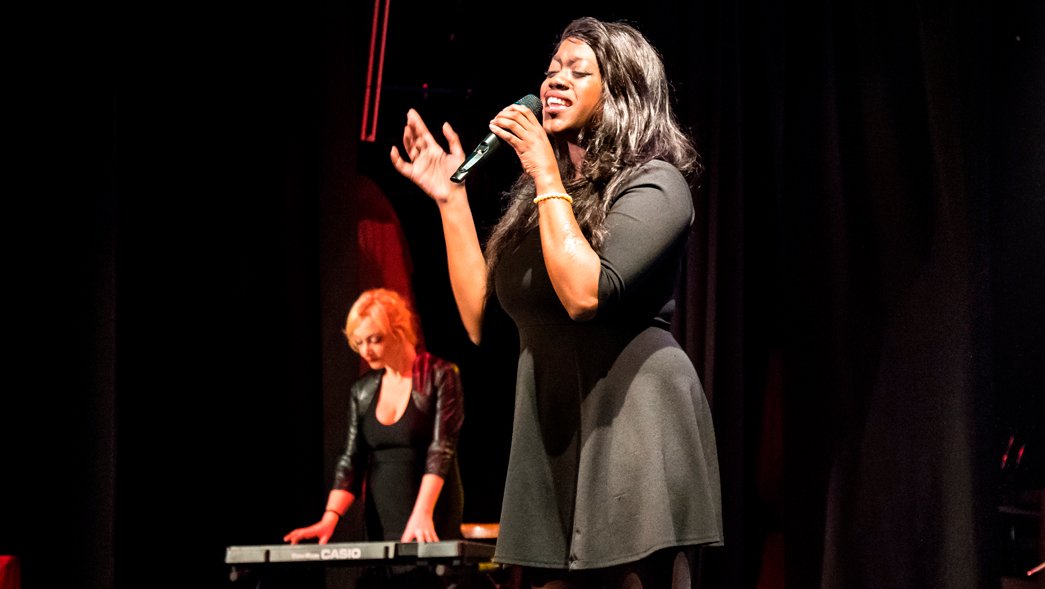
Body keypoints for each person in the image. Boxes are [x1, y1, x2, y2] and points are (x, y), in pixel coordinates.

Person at [389, 15, 722, 589]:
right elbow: (480, 319)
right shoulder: (543, 203)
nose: (554, 81)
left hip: (632, 423)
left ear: (620, 91)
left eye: (577, 71)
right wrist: (450, 199)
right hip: (556, 428)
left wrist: (545, 172)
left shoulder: (655, 183)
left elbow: (585, 294)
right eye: (550, 71)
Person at [283, 288, 464, 588]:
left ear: (399, 331)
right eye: (359, 342)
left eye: (374, 339)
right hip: (382, 520)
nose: (365, 351)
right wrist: (329, 518)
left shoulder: (440, 375)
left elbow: (441, 448)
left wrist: (422, 513)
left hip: (429, 513)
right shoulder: (363, 390)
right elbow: (351, 458)